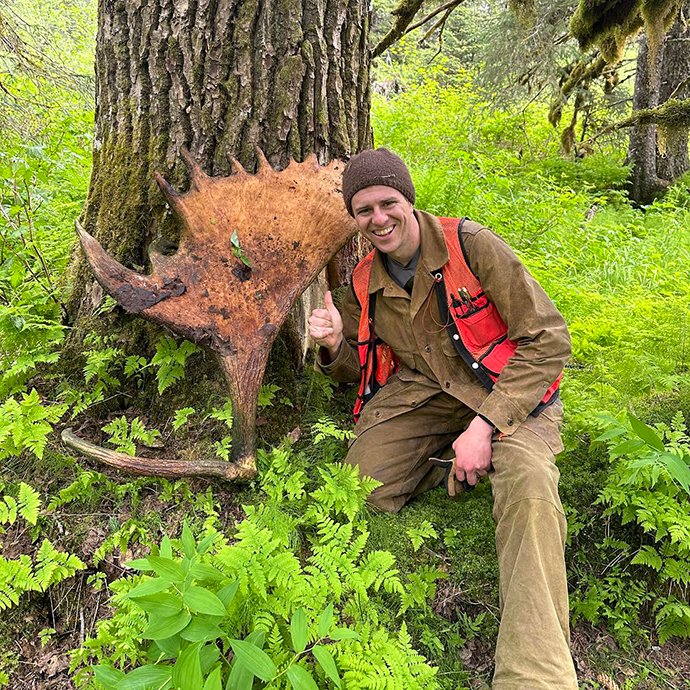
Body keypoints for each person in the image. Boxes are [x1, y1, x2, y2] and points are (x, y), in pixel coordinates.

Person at [307, 148, 578, 689]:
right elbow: (360, 366)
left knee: (528, 484)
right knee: (357, 485)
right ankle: (457, 463)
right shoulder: (363, 282)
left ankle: (535, 674)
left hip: (507, 390)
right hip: (429, 395)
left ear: (409, 199)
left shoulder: (470, 245)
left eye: (388, 203)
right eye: (364, 210)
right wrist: (335, 343)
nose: (379, 219)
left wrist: (485, 427)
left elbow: (548, 339)